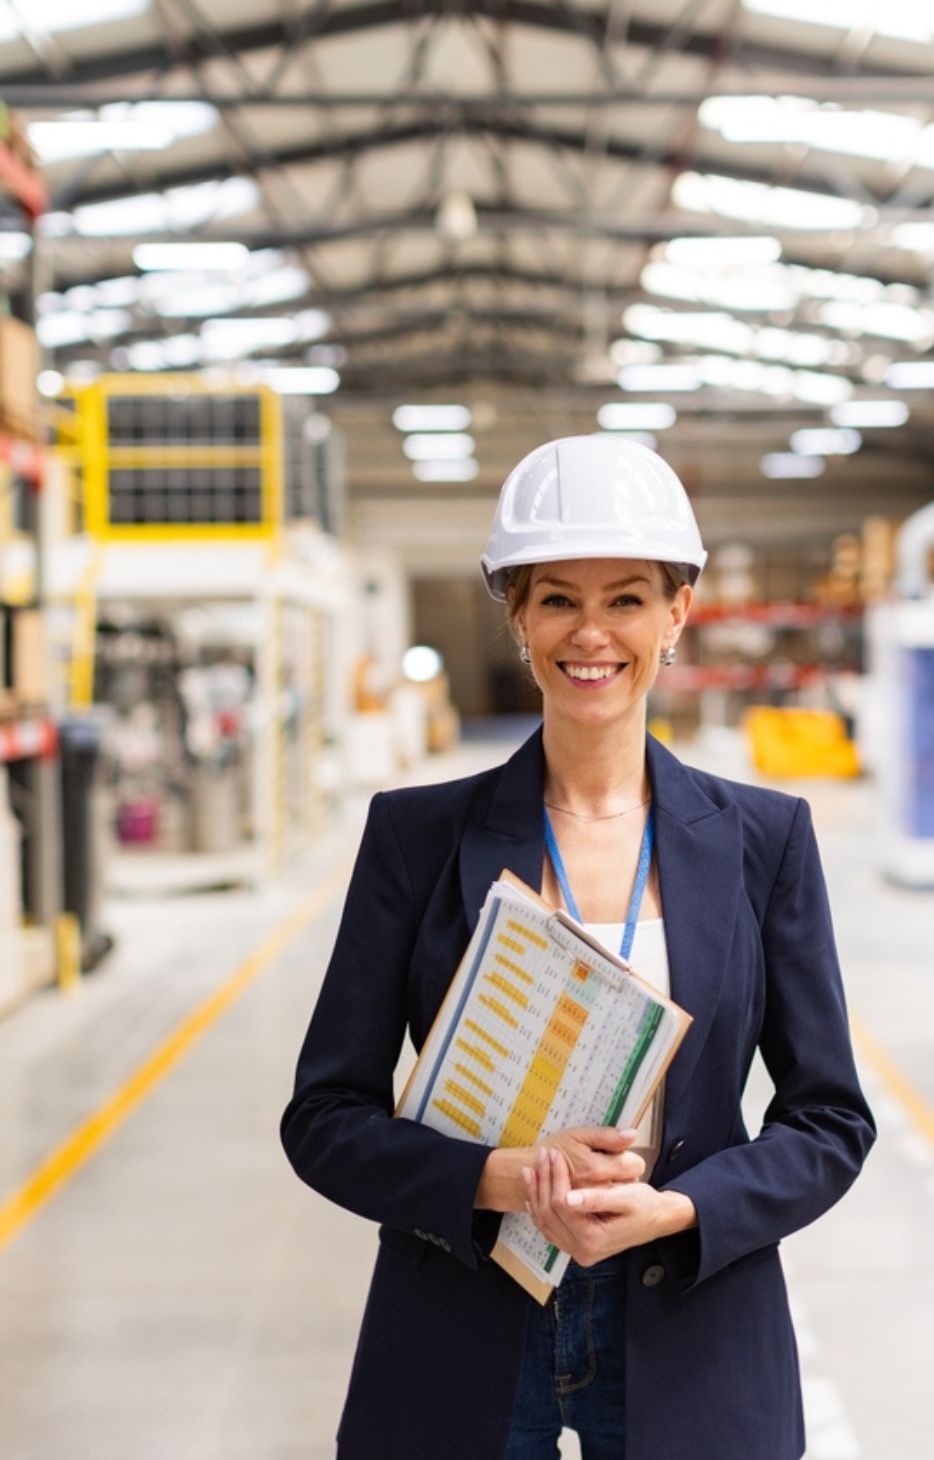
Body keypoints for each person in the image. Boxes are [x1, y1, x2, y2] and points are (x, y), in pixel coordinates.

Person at [281, 434, 876, 1460]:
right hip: (470, 1309)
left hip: (685, 1313)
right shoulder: (416, 837)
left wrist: (676, 1206)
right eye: (556, 598)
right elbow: (325, 1117)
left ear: (676, 612)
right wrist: (500, 1179)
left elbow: (827, 1118)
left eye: (627, 599)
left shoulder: (761, 841)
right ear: (514, 613)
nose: (590, 632)